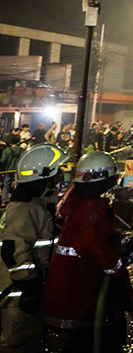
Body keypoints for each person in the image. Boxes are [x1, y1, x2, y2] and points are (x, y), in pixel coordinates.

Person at [42, 151, 133, 352]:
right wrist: (126, 294)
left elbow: (105, 236)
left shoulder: (77, 204)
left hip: (72, 296)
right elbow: (107, 260)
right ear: (102, 178)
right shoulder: (91, 211)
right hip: (83, 302)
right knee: (100, 344)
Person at [0, 143, 68, 352]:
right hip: (18, 293)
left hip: (29, 287)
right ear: (45, 174)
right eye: (59, 171)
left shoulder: (39, 202)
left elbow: (43, 230)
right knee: (18, 341)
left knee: (32, 337)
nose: (62, 175)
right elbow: (13, 249)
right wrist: (29, 285)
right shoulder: (23, 207)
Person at [1, 138, 25, 206]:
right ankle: (17, 199)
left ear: (11, 143)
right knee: (18, 185)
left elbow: (3, 160)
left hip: (8, 170)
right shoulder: (21, 150)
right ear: (18, 143)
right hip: (18, 170)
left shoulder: (7, 151)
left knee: (6, 185)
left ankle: (4, 200)